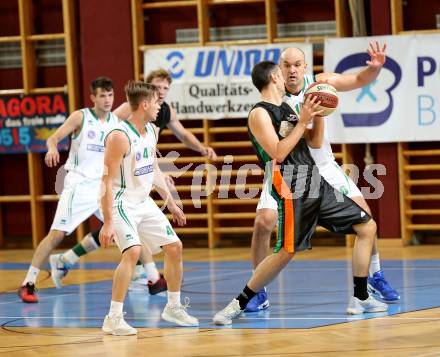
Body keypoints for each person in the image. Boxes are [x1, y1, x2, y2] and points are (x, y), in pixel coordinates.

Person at [213, 61, 388, 325]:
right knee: (285, 251)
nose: (288, 77)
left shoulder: (287, 109)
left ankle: (360, 296)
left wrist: (317, 114)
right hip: (291, 187)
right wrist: (302, 121)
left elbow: (314, 142)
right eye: (282, 73)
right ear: (274, 76)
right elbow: (278, 152)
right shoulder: (259, 113)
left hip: (316, 182)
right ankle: (238, 303)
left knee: (367, 226)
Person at [245, 42, 399, 312]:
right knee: (263, 222)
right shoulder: (271, 101)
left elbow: (358, 79)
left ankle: (374, 275)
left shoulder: (321, 85)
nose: (292, 70)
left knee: (366, 216)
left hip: (324, 165)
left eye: (297, 65)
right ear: (278, 71)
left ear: (305, 67)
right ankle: (259, 290)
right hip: (289, 169)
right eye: (286, 65)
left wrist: (374, 68)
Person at [49, 69, 217, 292]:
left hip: (136, 172)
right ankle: (147, 277)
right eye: (157, 88)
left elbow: (183, 135)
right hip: (112, 167)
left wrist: (202, 149)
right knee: (116, 225)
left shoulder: (164, 111)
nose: (162, 92)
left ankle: (68, 259)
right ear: (147, 92)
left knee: (116, 228)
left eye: (166, 88)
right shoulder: (134, 109)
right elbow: (109, 127)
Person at [100, 80, 198, 335]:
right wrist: (108, 221)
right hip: (122, 202)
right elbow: (106, 181)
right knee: (132, 252)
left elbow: (153, 168)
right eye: (156, 102)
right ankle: (113, 317)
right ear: (144, 104)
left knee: (175, 247)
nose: (159, 106)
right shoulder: (119, 136)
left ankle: (173, 308)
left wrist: (171, 202)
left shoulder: (152, 131)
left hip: (144, 202)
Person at [18, 77, 119, 303]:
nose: (107, 99)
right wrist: (52, 147)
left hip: (101, 187)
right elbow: (53, 138)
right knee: (57, 234)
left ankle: (151, 277)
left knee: (122, 229)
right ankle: (28, 283)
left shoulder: (116, 122)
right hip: (78, 185)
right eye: (102, 95)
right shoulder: (81, 117)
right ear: (93, 97)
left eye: (110, 95)